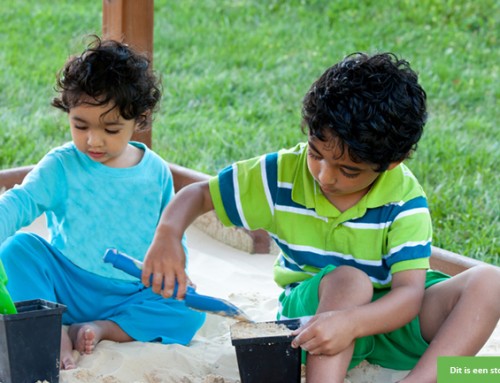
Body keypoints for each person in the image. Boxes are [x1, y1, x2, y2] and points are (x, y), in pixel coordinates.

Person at [141, 52, 500, 382]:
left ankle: (424, 379)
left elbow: (408, 297)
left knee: (490, 281)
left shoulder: (404, 198)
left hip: (387, 322)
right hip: (312, 321)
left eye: (348, 169)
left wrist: (354, 323)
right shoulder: (280, 176)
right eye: (316, 153)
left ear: (393, 162)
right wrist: (168, 236)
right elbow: (199, 195)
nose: (326, 176)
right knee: (350, 281)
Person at [0, 36, 205, 370]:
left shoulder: (155, 172)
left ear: (140, 118)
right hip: (65, 287)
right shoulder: (62, 165)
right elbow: (20, 202)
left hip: (131, 293)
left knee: (189, 310)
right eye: (80, 126)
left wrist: (176, 269)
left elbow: (171, 233)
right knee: (19, 248)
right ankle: (54, 330)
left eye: (110, 129)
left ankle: (101, 329)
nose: (93, 140)